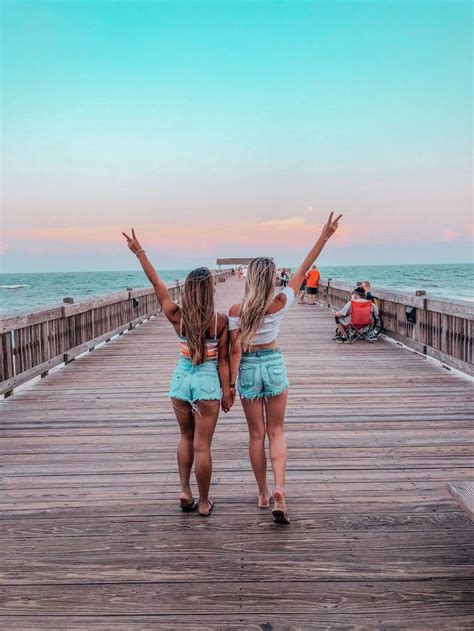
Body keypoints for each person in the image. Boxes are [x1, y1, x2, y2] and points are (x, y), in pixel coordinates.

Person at [228, 212, 342, 524]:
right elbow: (305, 266)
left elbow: (233, 348)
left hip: (249, 367)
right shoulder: (280, 302)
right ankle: (280, 488)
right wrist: (324, 236)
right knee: (277, 431)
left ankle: (263, 493)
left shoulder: (236, 311)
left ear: (249, 279)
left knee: (256, 435)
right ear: (271, 279)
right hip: (274, 364)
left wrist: (228, 385)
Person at [122, 229, 233, 517]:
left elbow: (156, 282)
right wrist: (228, 392)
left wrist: (139, 251)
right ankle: (205, 502)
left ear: (187, 290)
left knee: (185, 437)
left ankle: (185, 490)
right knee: (203, 447)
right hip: (208, 381)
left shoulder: (176, 315)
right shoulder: (220, 321)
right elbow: (222, 361)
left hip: (182, 380)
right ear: (210, 290)